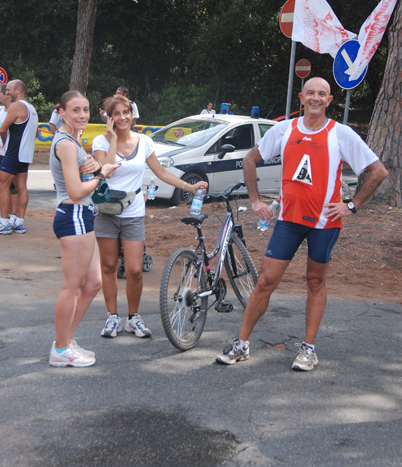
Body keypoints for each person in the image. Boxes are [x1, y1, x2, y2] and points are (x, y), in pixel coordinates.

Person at [216, 77, 388, 371]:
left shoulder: (341, 134)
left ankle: (308, 349)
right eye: (311, 93)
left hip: (325, 223)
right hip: (289, 221)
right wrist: (256, 201)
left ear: (329, 100)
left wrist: (352, 205)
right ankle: (242, 343)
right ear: (301, 97)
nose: (316, 98)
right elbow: (250, 159)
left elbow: (378, 171)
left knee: (315, 281)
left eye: (322, 94)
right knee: (266, 281)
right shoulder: (285, 129)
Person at [92, 94, 207, 339]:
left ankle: (133, 318)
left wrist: (190, 187)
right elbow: (107, 172)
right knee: (109, 266)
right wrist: (112, 138)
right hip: (106, 212)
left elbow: (162, 172)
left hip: (133, 212)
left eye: (126, 112)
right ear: (109, 118)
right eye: (116, 114)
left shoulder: (144, 142)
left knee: (134, 269)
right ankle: (113, 316)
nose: (122, 117)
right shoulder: (100, 142)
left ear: (132, 115)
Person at [48, 90, 120, 368]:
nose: (82, 115)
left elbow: (96, 174)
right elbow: (77, 191)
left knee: (93, 283)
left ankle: (64, 341)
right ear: (62, 113)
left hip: (83, 215)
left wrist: (100, 164)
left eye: (85, 110)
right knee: (72, 287)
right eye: (75, 110)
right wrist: (100, 174)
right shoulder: (66, 144)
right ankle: (61, 348)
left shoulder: (75, 141)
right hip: (73, 214)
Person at [0, 79, 38, 234]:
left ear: (18, 90)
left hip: (12, 153)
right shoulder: (32, 109)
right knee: (22, 187)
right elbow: (36, 133)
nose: (7, 92)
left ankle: (4, 223)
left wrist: (6, 144)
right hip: (25, 155)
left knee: (3, 186)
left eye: (9, 89)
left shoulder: (17, 106)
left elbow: (2, 129)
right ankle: (19, 222)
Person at [0, 86, 19, 220]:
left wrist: (6, 143)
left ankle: (13, 215)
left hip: (9, 152)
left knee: (12, 185)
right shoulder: (1, 110)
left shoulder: (17, 110)